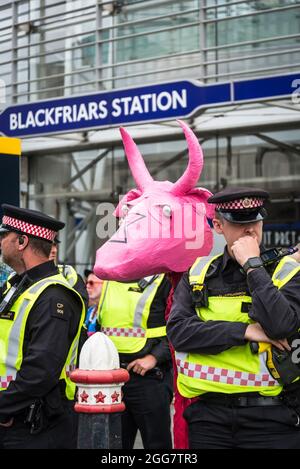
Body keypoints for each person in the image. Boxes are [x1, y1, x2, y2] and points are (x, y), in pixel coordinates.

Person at [167, 187, 300, 449]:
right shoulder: (199, 273)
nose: (250, 230)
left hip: (273, 419)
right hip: (209, 418)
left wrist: (253, 266)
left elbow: (281, 325)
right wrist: (245, 331)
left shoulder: (288, 270)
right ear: (218, 225)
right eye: (240, 223)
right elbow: (179, 332)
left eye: (255, 220)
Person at [0, 204, 86, 449]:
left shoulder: (54, 296)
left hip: (33, 425)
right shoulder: (15, 286)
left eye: (4, 235)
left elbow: (40, 373)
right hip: (12, 417)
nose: (0, 242)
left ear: (22, 241)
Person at [97, 274, 173, 449]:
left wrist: (154, 357)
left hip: (150, 378)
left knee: (157, 446)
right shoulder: (110, 279)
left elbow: (179, 326)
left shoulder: (163, 280)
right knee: (115, 446)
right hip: (113, 379)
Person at [84, 270, 103, 336]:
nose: (87, 286)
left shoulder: (108, 311)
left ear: (104, 284)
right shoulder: (90, 311)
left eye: (91, 283)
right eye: (87, 282)